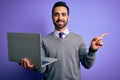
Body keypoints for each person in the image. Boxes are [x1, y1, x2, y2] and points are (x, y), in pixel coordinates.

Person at [20, 1, 108, 80]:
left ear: (68, 17)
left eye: (63, 14)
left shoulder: (78, 39)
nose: (60, 18)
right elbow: (42, 69)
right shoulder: (43, 40)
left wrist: (92, 50)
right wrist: (35, 65)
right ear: (52, 17)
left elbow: (87, 65)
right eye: (56, 14)